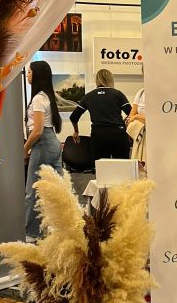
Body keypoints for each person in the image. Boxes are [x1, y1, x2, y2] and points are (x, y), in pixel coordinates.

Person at [24, 59, 63, 240]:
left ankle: (32, 233)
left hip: (43, 144)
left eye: (30, 71)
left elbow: (38, 130)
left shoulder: (39, 98)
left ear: (37, 75)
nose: (27, 75)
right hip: (52, 142)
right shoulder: (47, 96)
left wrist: (25, 148)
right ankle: (60, 228)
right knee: (58, 188)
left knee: (33, 190)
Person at [69, 69, 131, 160]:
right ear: (110, 79)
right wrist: (126, 123)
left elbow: (73, 117)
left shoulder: (88, 96)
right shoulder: (118, 94)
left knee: (101, 167)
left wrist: (76, 131)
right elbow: (131, 114)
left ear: (97, 80)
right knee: (122, 166)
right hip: (118, 134)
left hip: (98, 135)